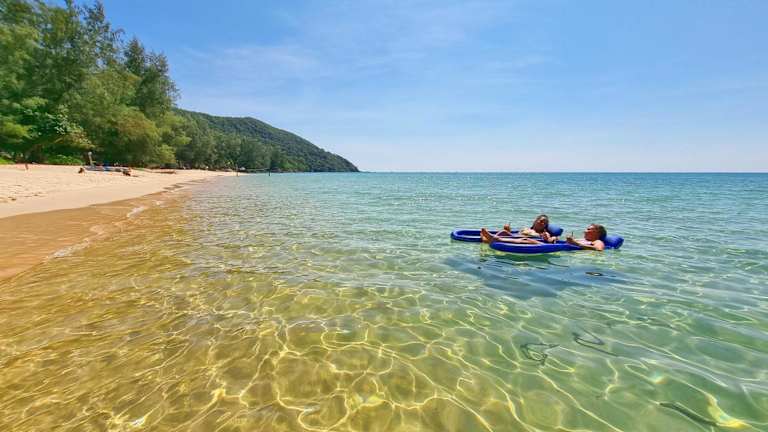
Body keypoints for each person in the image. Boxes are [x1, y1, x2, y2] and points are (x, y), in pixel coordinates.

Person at [482, 214, 557, 243]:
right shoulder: (527, 229)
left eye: (545, 223)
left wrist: (549, 238)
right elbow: (516, 234)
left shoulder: (543, 233)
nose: (542, 223)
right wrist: (509, 230)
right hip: (514, 238)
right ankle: (486, 239)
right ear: (535, 221)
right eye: (541, 221)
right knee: (504, 232)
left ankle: (492, 239)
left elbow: (551, 239)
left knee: (524, 239)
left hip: (524, 241)